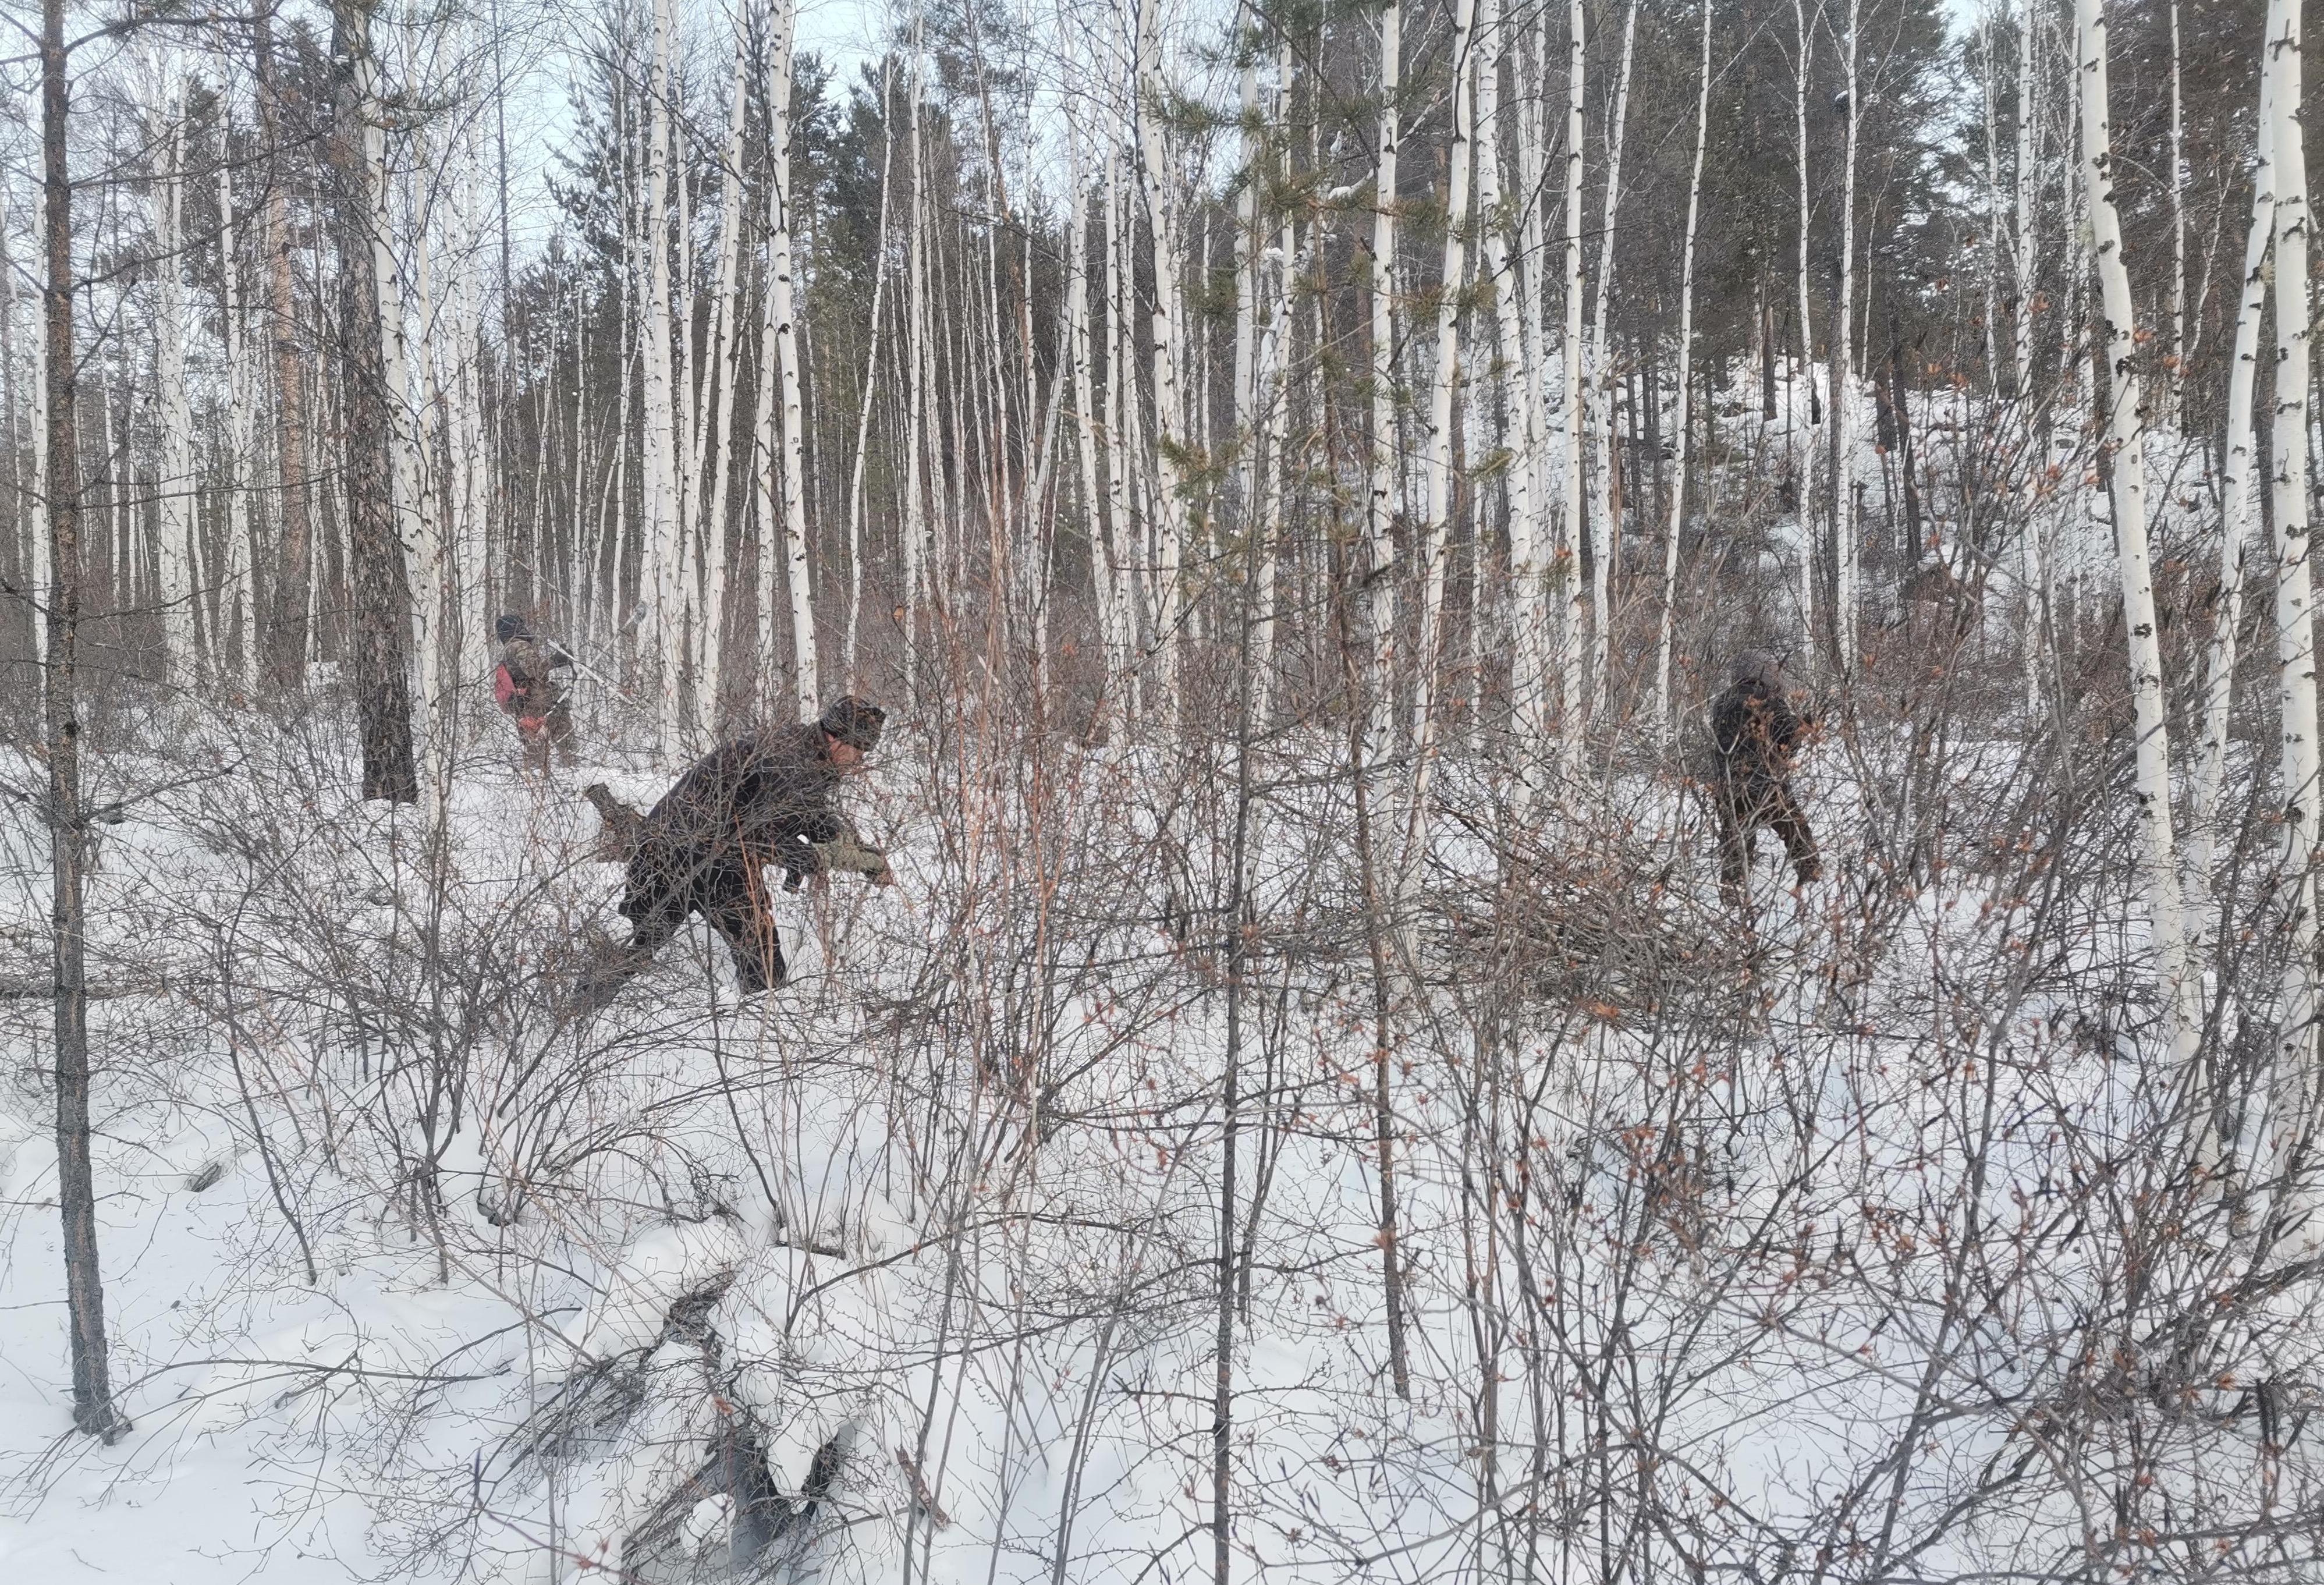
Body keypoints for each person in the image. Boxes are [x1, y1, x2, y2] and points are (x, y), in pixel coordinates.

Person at [580, 696, 893, 1006]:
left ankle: (581, 1007)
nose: (859, 762)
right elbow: (759, 831)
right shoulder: (792, 760)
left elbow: (809, 814)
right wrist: (804, 857)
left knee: (640, 943)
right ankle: (763, 1020)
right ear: (835, 738)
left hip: (663, 847)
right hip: (710, 857)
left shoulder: (799, 749)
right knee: (759, 961)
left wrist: (859, 853)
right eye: (859, 751)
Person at [1708, 650, 1820, 907]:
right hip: (1766, 785)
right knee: (1796, 832)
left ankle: (1733, 895)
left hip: (1728, 785)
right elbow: (1787, 744)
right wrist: (1806, 725)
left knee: (1736, 841)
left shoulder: (1722, 702)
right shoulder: (1770, 701)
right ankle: (1812, 879)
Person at [494, 614, 577, 771]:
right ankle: (572, 772)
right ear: (515, 627)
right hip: (539, 702)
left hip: (526, 705)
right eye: (520, 624)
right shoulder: (518, 646)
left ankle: (537, 779)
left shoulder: (508, 649)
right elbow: (534, 669)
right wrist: (556, 660)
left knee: (535, 754)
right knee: (565, 745)